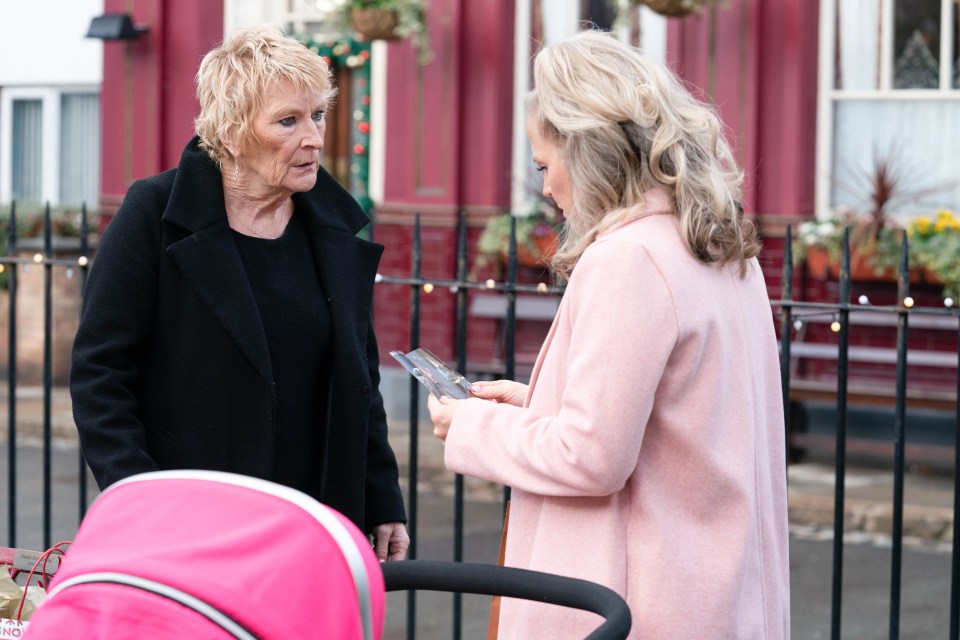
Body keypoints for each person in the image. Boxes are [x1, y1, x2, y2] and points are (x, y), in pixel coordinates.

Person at [428, 30, 790, 638]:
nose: (545, 188)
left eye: (545, 164)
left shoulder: (628, 259)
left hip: (632, 603)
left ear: (589, 149)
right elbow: (688, 417)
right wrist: (535, 403)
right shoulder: (720, 246)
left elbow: (591, 457)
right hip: (717, 592)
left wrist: (472, 425)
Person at [71, 25, 409, 562]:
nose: (315, 138)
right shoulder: (153, 216)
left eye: (317, 114)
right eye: (288, 120)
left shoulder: (331, 229)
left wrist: (381, 493)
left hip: (316, 517)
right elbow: (101, 375)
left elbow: (359, 378)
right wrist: (138, 496)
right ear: (230, 132)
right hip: (190, 523)